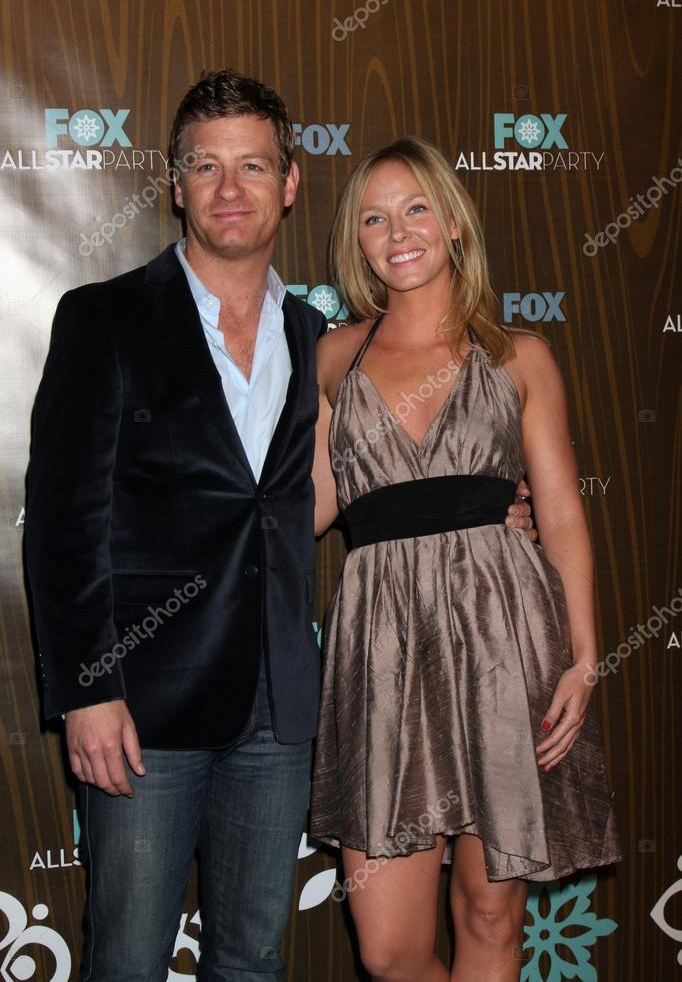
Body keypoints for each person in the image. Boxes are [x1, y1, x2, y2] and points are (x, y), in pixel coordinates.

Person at [24, 70, 535, 981]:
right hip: (144, 707)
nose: (230, 189)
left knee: (253, 959)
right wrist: (87, 688)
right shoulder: (103, 318)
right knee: (128, 959)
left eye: (253, 165)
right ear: (176, 184)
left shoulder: (319, 339)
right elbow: (63, 524)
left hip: (281, 709)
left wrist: (479, 504)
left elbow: (338, 488)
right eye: (207, 167)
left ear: (290, 183)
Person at [310, 136, 622, 982]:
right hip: (383, 648)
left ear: (453, 222)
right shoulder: (334, 358)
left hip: (502, 639)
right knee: (389, 949)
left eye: (416, 208)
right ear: (356, 240)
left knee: (490, 911)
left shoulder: (518, 355)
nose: (397, 232)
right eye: (375, 218)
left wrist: (583, 655)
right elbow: (302, 509)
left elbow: (561, 512)